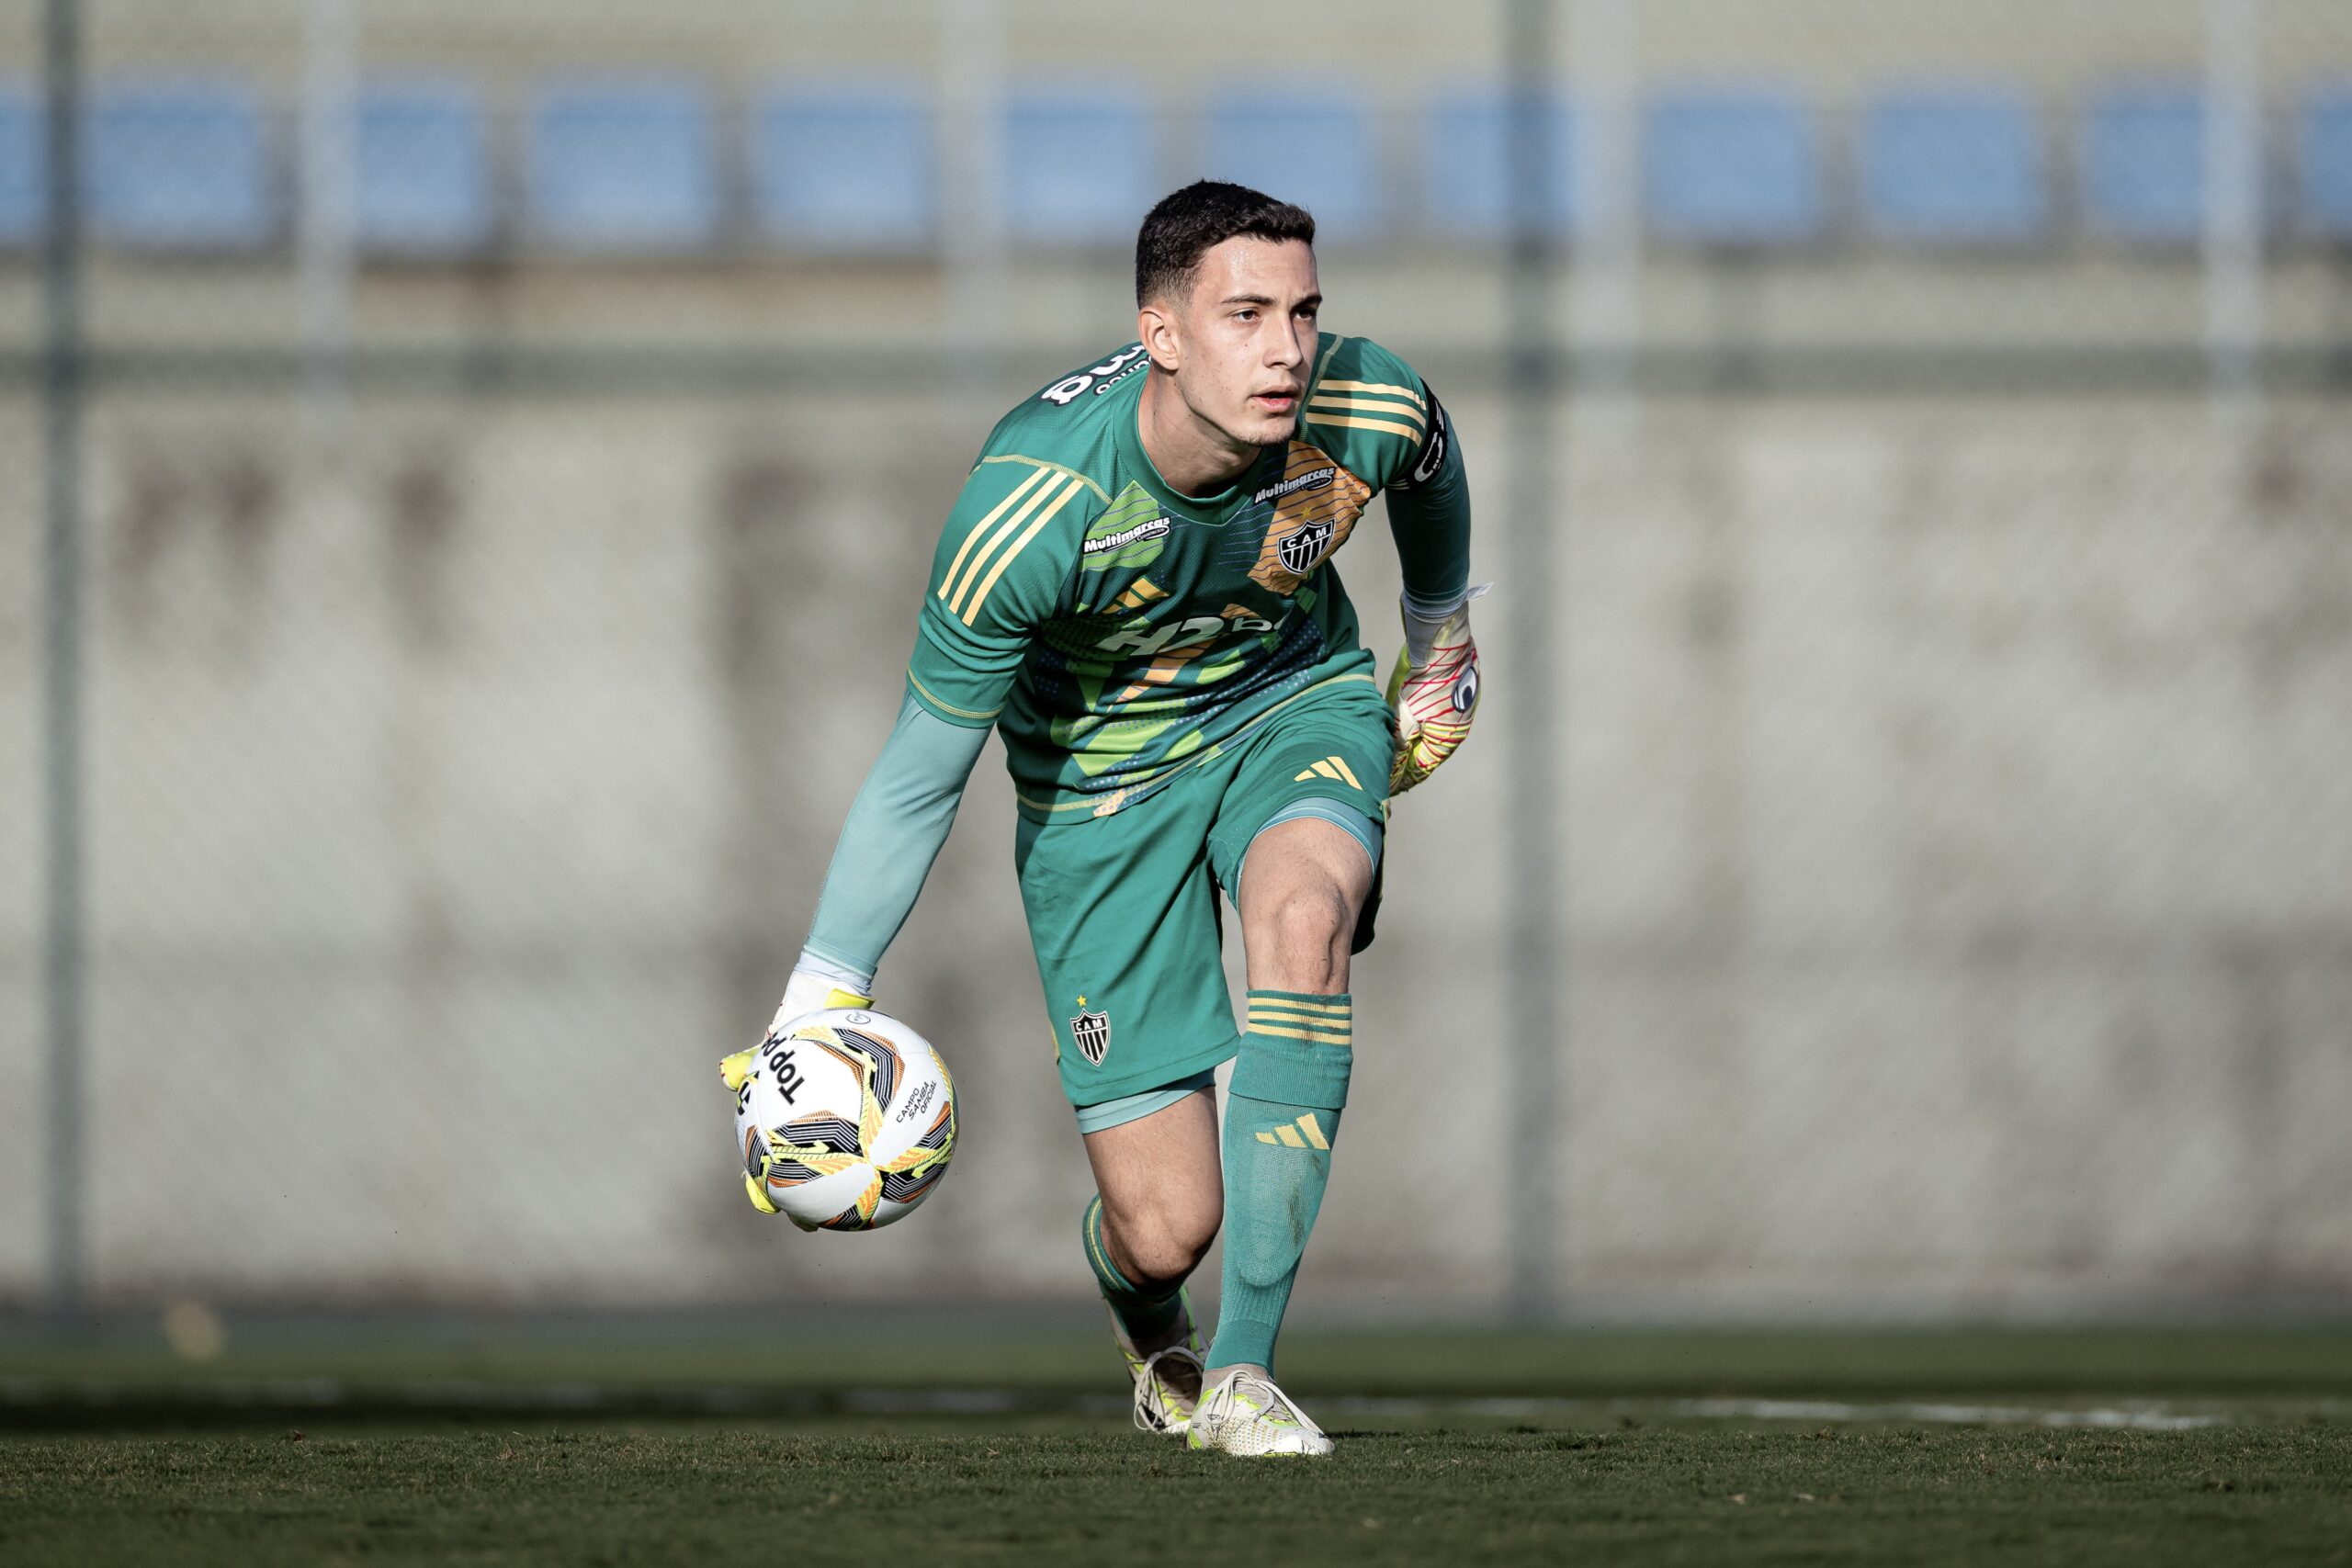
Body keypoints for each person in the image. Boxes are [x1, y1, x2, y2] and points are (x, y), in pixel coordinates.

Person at [725, 180, 1480, 1457]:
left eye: (1303, 311)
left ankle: (1243, 1374)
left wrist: (1439, 634)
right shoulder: (1029, 508)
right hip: (1098, 789)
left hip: (1292, 706)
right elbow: (920, 775)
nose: (1289, 349)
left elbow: (1431, 464)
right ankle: (1153, 1328)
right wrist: (819, 995)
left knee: (1302, 921)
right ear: (1160, 335)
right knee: (1165, 1228)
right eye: (1246, 315)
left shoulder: (1366, 401)